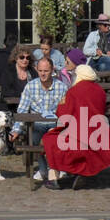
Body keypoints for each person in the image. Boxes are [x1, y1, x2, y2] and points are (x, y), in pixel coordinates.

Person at [41, 63, 110, 190]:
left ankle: (53, 178)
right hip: (99, 134)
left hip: (79, 134)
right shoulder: (100, 90)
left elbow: (63, 115)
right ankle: (77, 173)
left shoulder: (74, 91)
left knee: (49, 139)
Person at [11, 54, 70, 182]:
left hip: (55, 124)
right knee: (35, 138)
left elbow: (67, 110)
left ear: (52, 70)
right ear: (37, 70)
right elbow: (22, 110)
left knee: (55, 137)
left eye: (46, 71)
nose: (43, 74)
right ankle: (44, 168)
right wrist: (16, 130)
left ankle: (56, 168)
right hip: (36, 124)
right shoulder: (30, 87)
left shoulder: (62, 87)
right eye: (40, 71)